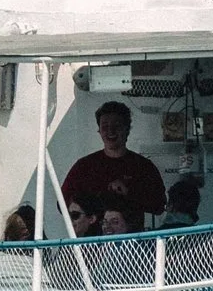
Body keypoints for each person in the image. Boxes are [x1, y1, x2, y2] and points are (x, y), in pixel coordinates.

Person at [62, 100, 165, 234]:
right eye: (105, 126)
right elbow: (62, 202)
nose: (110, 131)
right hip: (92, 245)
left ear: (127, 129)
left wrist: (130, 193)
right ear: (99, 130)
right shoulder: (84, 166)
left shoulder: (143, 166)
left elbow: (159, 205)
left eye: (117, 125)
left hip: (132, 245)